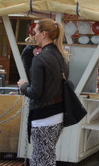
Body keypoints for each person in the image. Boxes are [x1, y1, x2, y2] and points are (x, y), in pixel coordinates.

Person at [17, 19, 68, 166]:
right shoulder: (61, 55)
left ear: (44, 34)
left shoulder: (41, 59)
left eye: (36, 32)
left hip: (44, 116)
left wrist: (23, 86)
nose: (34, 36)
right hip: (58, 113)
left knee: (40, 160)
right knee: (47, 157)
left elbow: (35, 92)